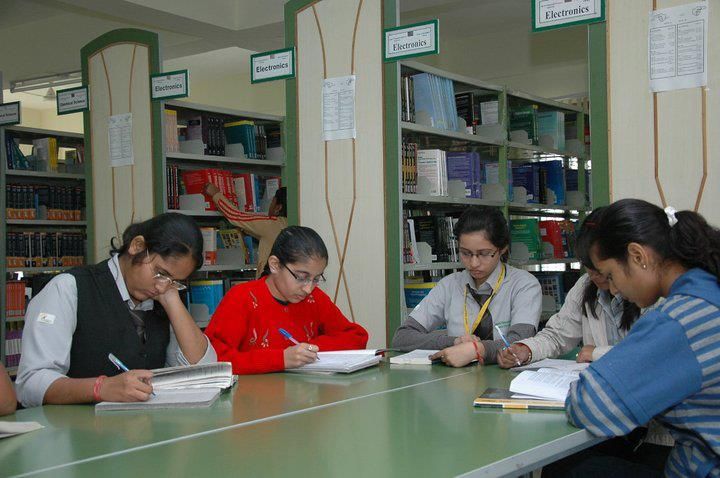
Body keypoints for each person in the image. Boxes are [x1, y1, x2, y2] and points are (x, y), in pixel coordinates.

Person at [564, 199, 720, 477]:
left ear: (638, 256)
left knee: (574, 470)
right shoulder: (709, 289)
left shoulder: (680, 319)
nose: (614, 289)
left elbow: (590, 406)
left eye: (611, 275)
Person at [16, 213, 217, 408]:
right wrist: (100, 388)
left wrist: (172, 299)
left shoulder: (162, 295)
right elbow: (30, 384)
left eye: (175, 281)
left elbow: (204, 372)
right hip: (75, 432)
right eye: (161, 273)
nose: (162, 286)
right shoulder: (69, 288)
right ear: (137, 246)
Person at [205, 225, 369, 374]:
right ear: (275, 265)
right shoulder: (241, 298)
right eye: (301, 277)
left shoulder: (314, 298)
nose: (308, 288)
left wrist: (309, 350)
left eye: (316, 279)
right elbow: (216, 359)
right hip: (253, 399)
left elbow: (357, 336)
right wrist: (282, 359)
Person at [392, 206, 542, 367]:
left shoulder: (524, 285)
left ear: (502, 248)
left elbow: (518, 344)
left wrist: (478, 350)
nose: (473, 263)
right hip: (456, 379)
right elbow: (402, 338)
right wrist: (454, 342)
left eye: (484, 254)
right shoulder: (449, 285)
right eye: (465, 253)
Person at [497, 208, 641, 368]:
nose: (593, 276)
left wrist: (596, 353)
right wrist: (526, 350)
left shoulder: (647, 293)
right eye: (587, 266)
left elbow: (649, 353)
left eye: (599, 269)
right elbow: (558, 335)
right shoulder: (586, 285)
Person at [203, 182, 288, 278]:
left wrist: (215, 194)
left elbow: (235, 216)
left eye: (272, 202)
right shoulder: (289, 224)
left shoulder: (272, 223)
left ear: (278, 207)